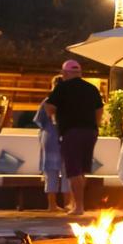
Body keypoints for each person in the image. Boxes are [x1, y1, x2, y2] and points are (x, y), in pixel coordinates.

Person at [45, 60, 104, 215]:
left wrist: (54, 114)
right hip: (90, 132)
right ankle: (76, 204)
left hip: (71, 132)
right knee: (81, 170)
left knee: (73, 170)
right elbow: (99, 110)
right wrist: (95, 126)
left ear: (65, 73)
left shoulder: (62, 87)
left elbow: (50, 108)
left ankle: (79, 206)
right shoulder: (91, 88)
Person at [34, 75, 71, 211]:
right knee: (67, 170)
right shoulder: (70, 101)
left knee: (51, 171)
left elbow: (39, 121)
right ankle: (67, 204)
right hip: (65, 136)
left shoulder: (47, 101)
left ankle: (52, 205)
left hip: (49, 136)